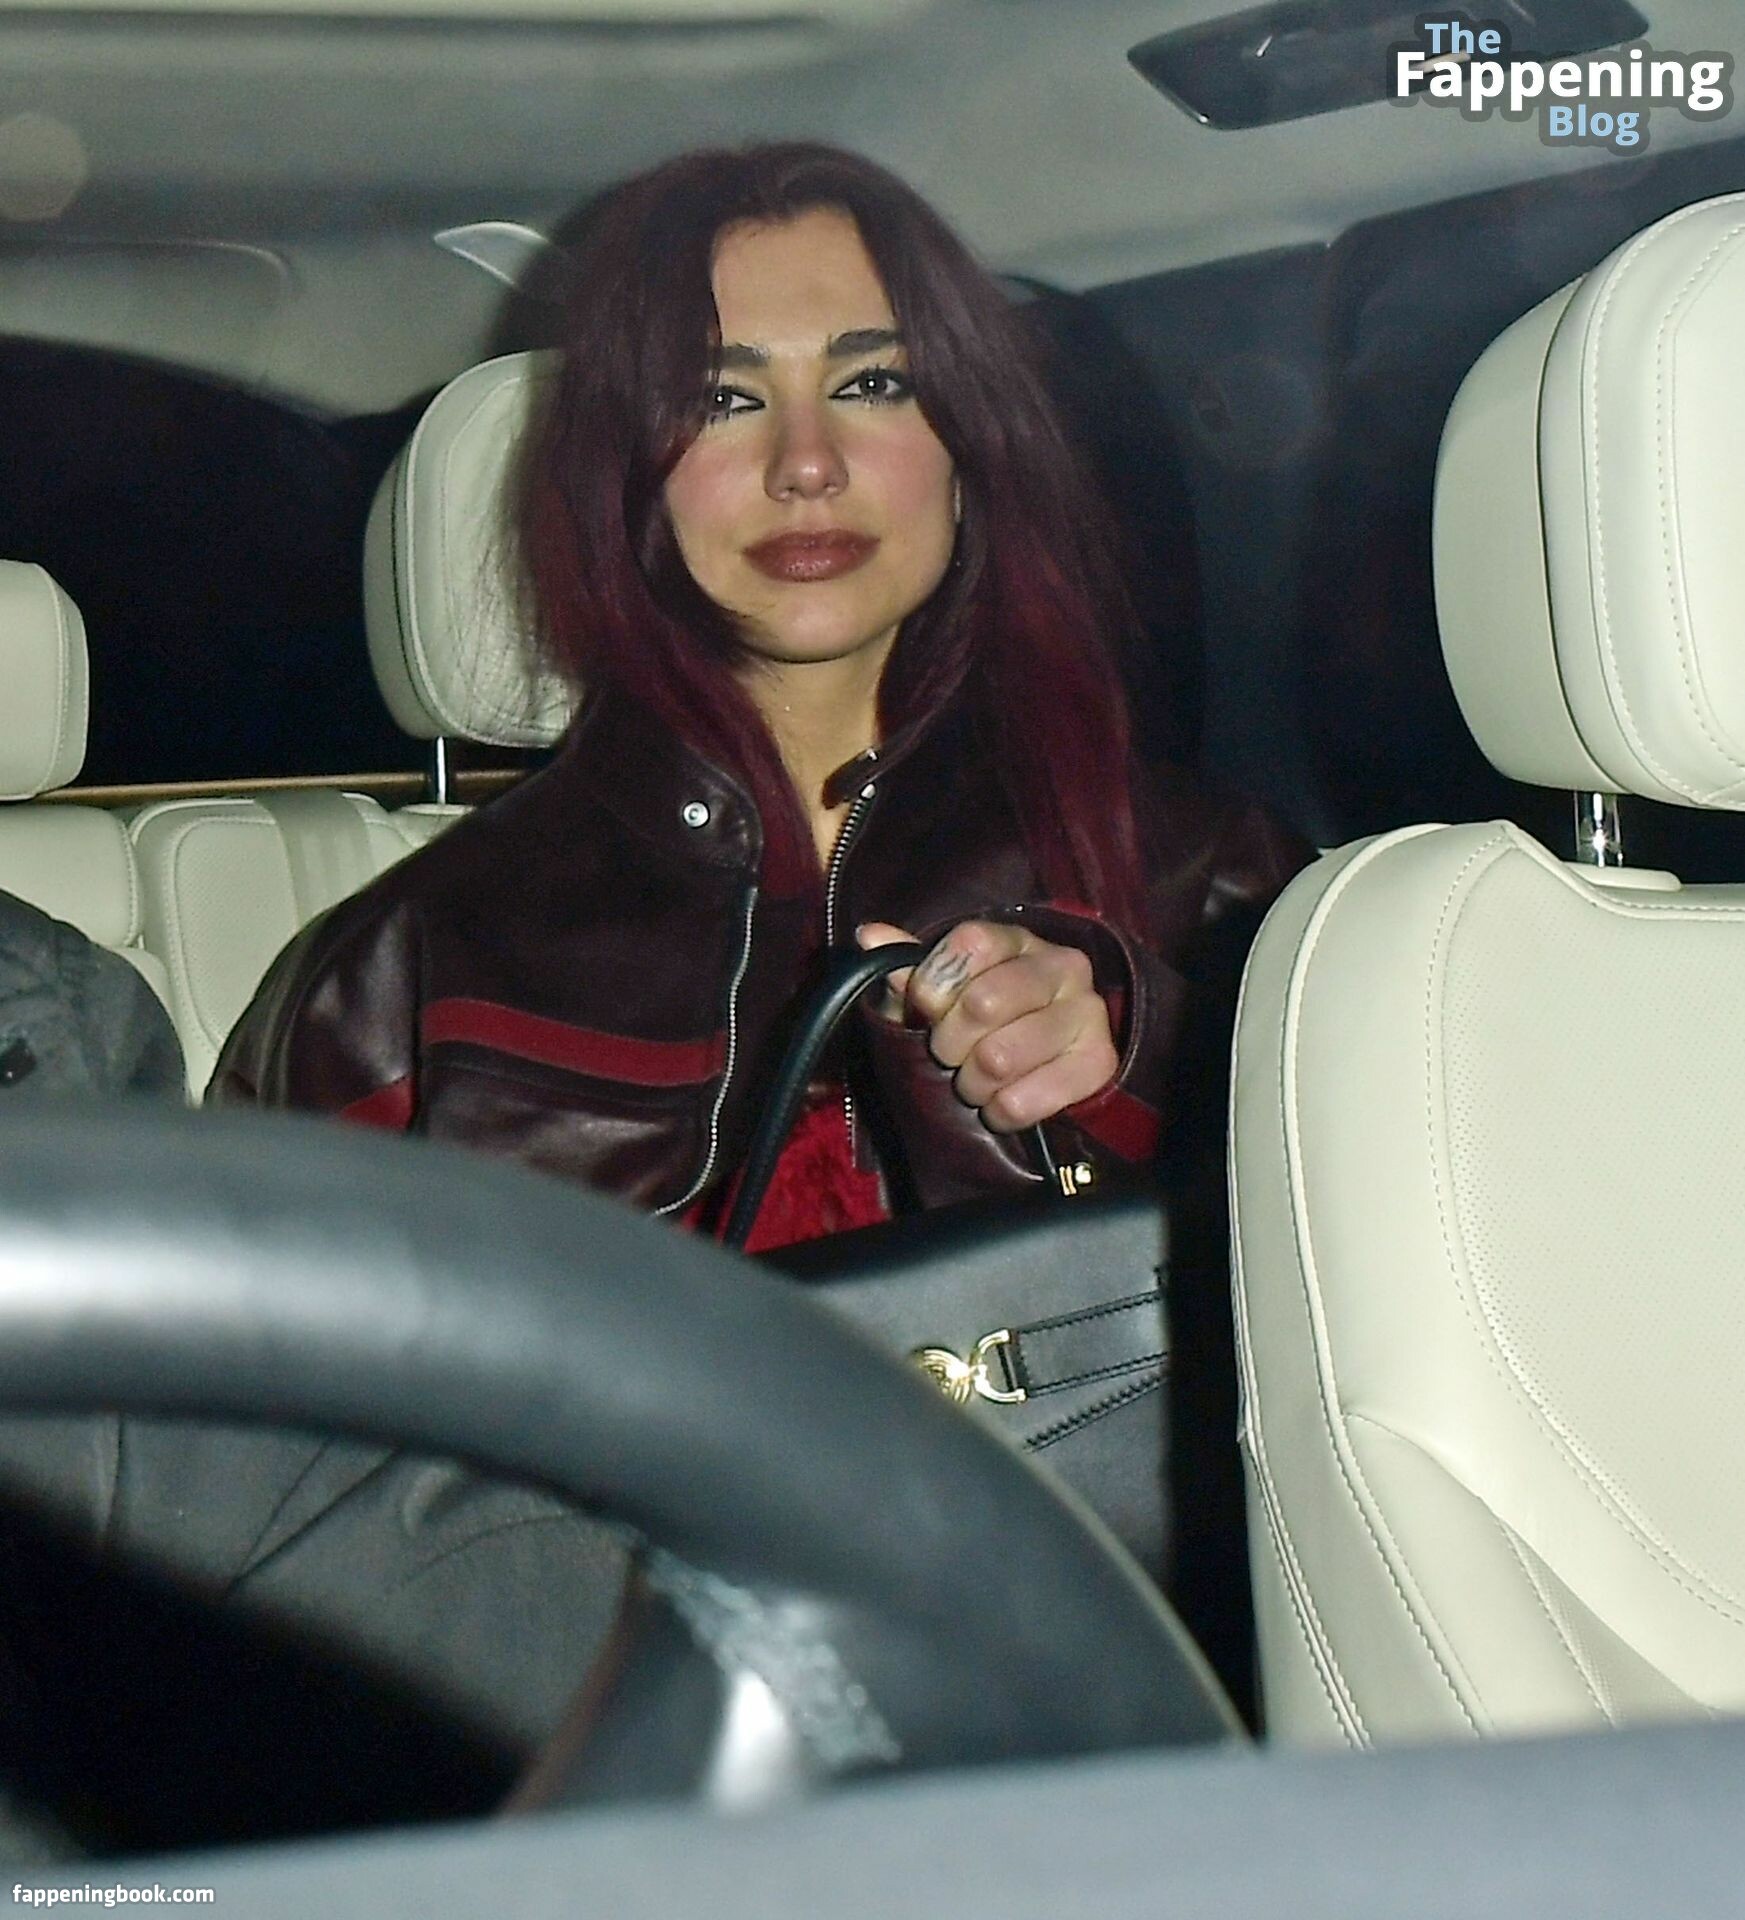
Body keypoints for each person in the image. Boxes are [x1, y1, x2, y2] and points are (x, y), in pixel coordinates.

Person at [210, 143, 1303, 1244]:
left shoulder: (1213, 885)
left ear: (968, 447)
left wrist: (1132, 1073)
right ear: (631, 480)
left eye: (871, 385)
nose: (806, 463)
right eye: (723, 399)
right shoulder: (405, 973)